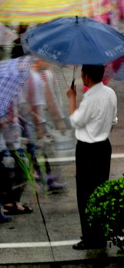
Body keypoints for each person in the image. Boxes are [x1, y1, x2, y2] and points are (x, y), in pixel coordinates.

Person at [67, 64, 117, 250]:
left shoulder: (90, 98)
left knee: (85, 194)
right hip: (104, 147)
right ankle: (101, 234)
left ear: (86, 76)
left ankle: (90, 238)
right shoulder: (110, 93)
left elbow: (75, 120)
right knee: (100, 192)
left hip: (87, 150)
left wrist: (72, 98)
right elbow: (113, 120)